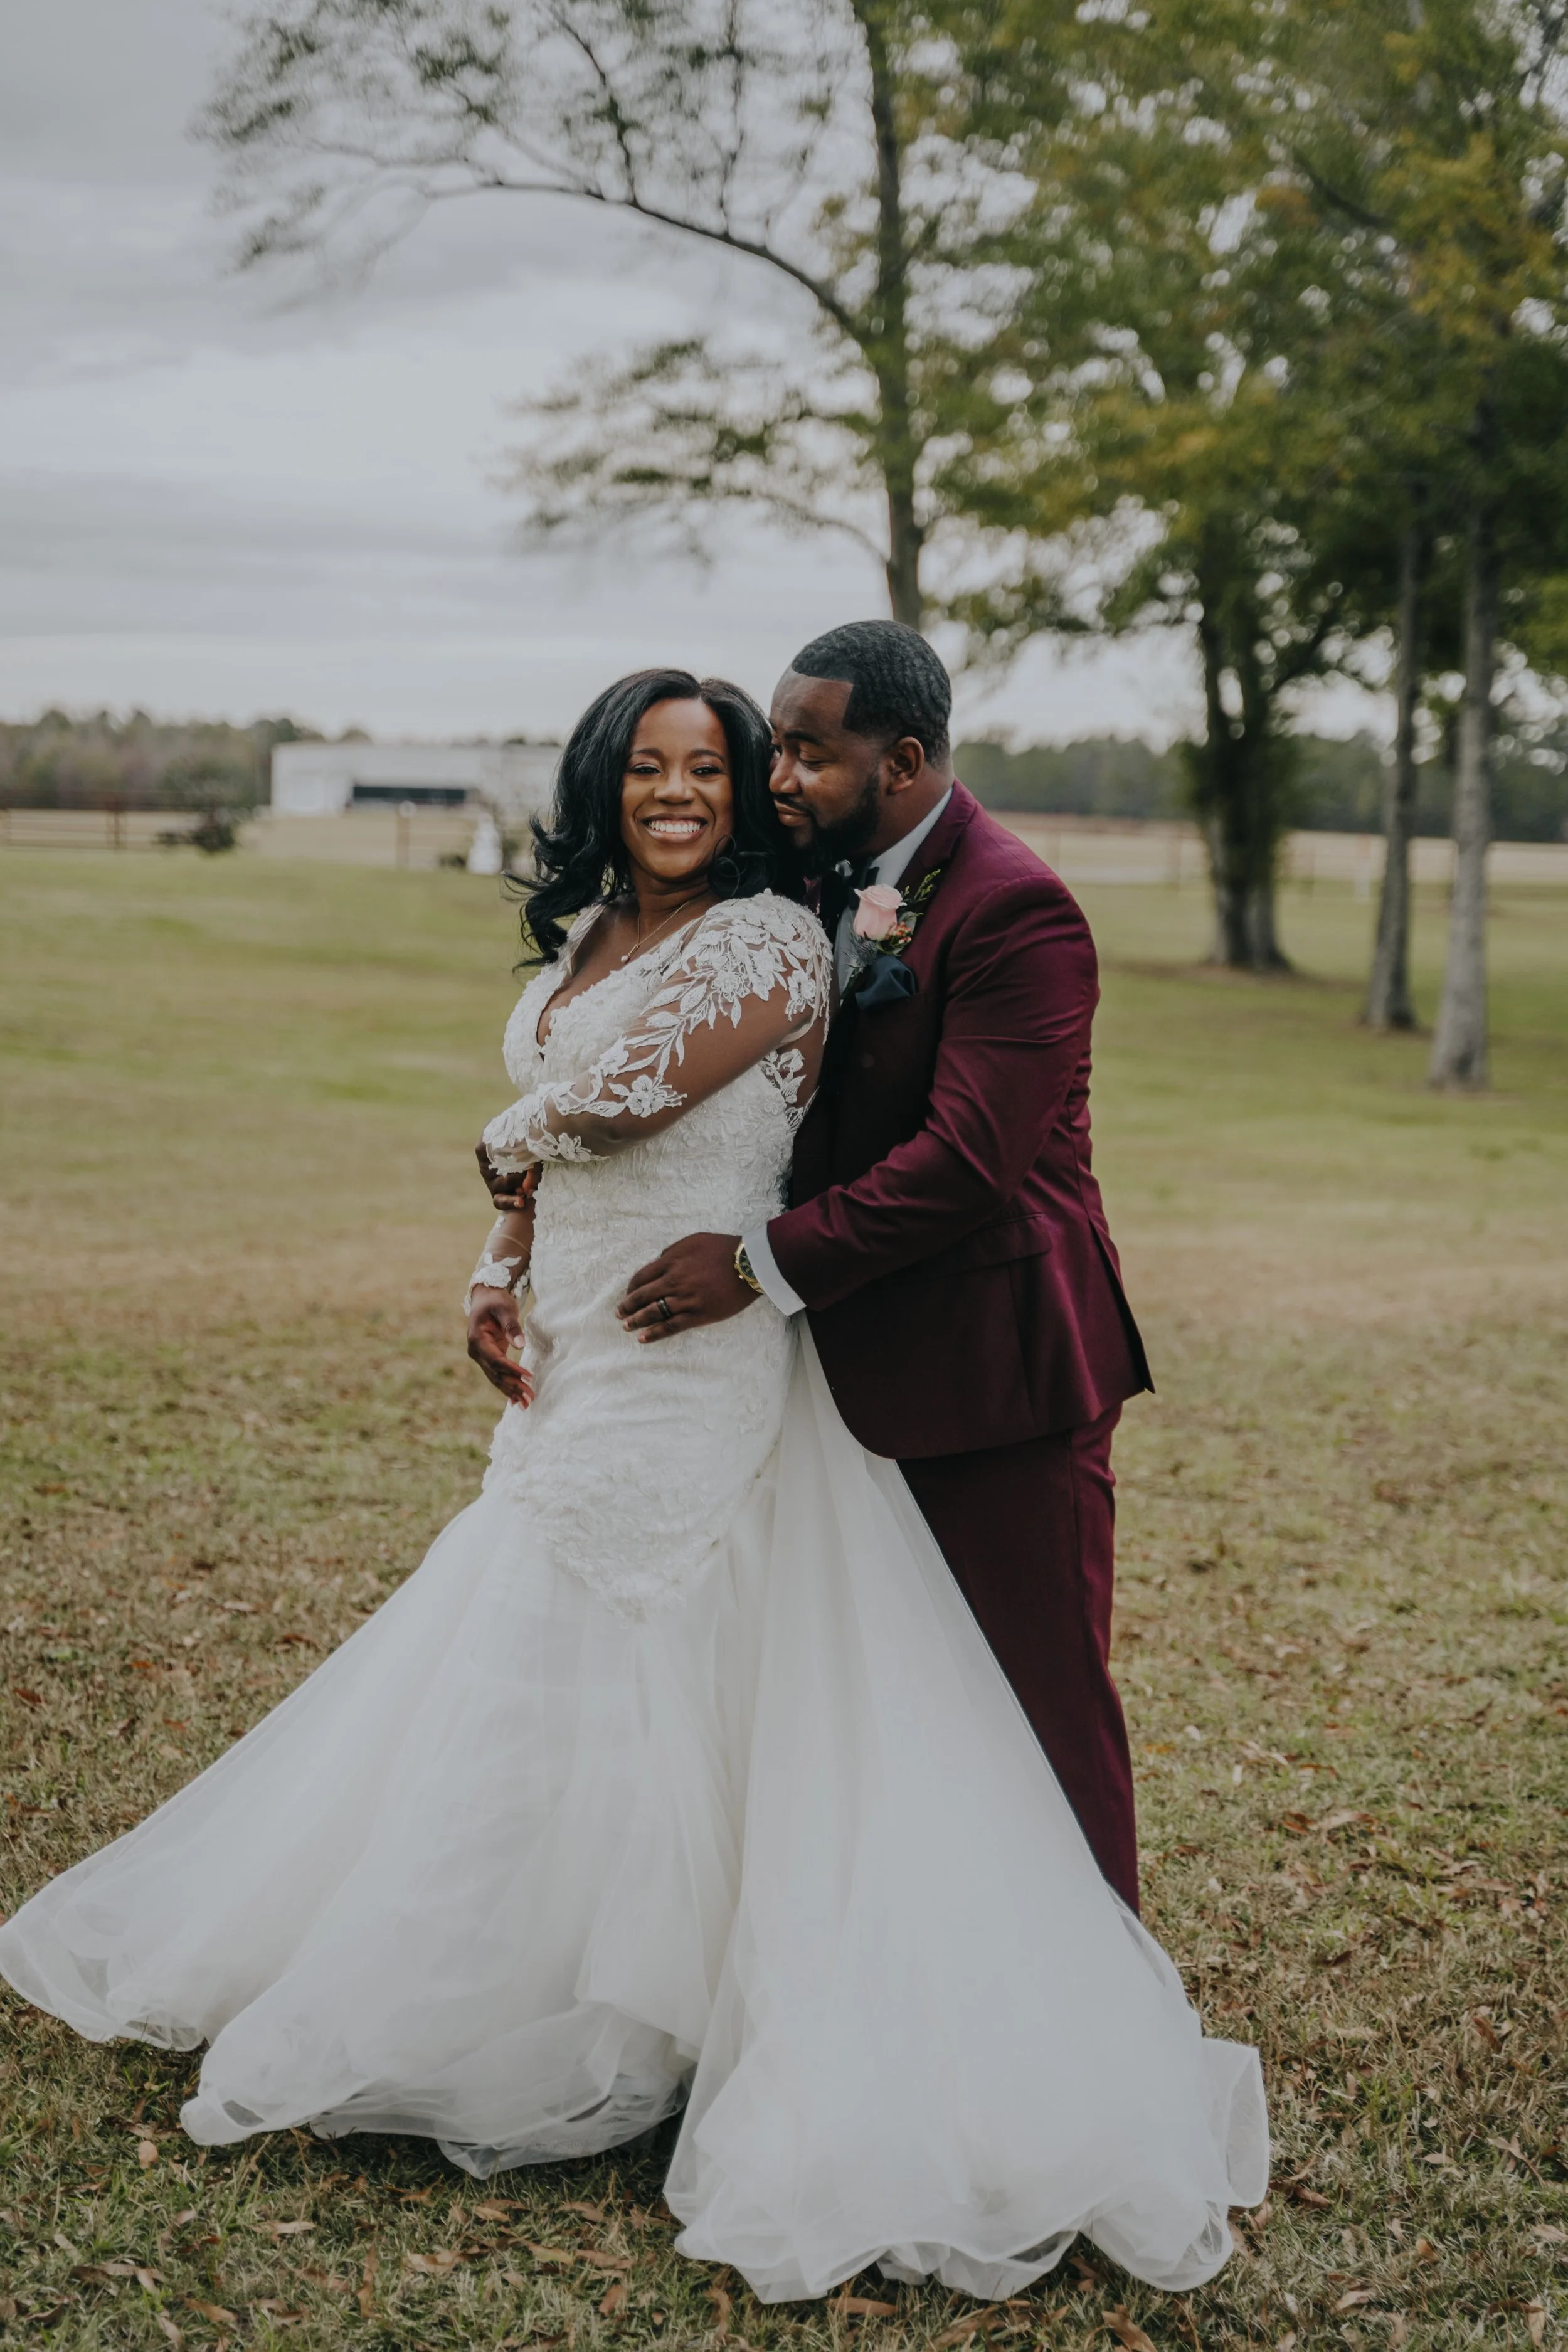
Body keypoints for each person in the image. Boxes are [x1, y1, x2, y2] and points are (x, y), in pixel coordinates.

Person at [0, 665, 1264, 2307]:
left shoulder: (768, 934)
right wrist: (494, 1250)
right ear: (601, 783)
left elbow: (636, 1094)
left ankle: (1049, 1993)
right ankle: (561, 1991)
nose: (688, 791)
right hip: (595, 1338)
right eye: (650, 766)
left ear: (769, 789)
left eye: (722, 765)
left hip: (719, 1345)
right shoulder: (597, 932)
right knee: (564, 1670)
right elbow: (567, 1138)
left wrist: (501, 1134)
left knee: (639, 1646)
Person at [613, 621, 1151, 1909]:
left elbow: (967, 1163)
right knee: (862, 1689)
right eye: (777, 746)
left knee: (1036, 1692)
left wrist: (748, 1264)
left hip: (997, 1376)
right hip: (833, 1371)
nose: (776, 774)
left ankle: (1103, 1992)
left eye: (806, 750)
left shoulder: (1017, 910)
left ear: (902, 760)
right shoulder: (812, 888)